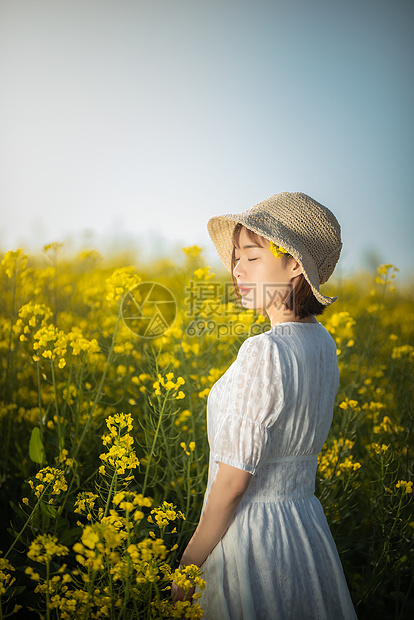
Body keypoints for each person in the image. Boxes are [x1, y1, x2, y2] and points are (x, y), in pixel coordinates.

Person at [171, 192, 357, 619]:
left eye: (251, 257)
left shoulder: (265, 351)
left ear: (294, 264)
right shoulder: (323, 344)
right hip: (304, 533)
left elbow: (233, 485)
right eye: (236, 257)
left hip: (249, 541)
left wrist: (185, 570)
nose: (236, 269)